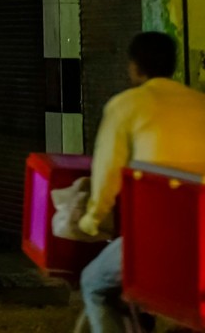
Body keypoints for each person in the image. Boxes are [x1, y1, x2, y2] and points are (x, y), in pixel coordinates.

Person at [78, 31, 205, 333]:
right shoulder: (200, 103)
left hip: (156, 238)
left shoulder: (126, 105)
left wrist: (92, 220)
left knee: (93, 283)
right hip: (200, 236)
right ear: (172, 65)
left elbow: (107, 172)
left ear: (134, 66)